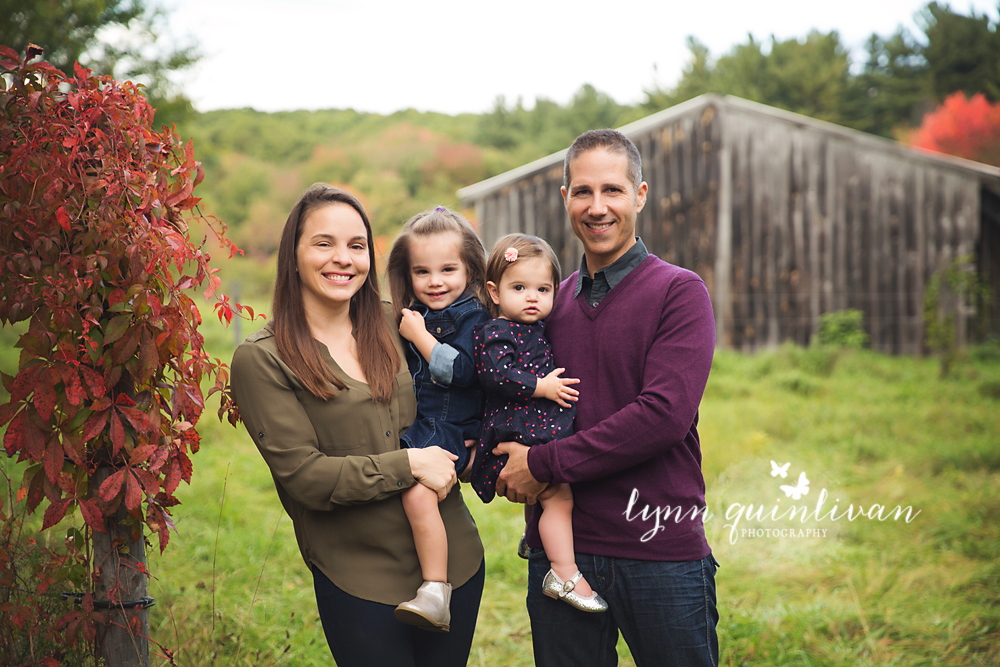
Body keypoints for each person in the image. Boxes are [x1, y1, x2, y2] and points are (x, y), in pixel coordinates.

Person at [229, 185, 484, 667]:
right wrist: (410, 463)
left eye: (357, 245)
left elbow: (459, 398)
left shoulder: (400, 325)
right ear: (294, 254)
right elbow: (305, 477)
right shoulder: (262, 359)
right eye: (323, 243)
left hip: (456, 564)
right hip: (361, 580)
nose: (343, 259)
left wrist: (473, 454)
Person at [493, 130, 720, 667]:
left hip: (659, 549)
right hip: (562, 555)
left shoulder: (678, 292)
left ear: (640, 195)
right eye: (583, 191)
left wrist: (541, 463)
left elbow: (662, 417)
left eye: (613, 191)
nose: (598, 208)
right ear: (565, 197)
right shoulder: (547, 307)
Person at [470, 233, 607, 613]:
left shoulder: (532, 328)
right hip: (513, 432)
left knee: (554, 499)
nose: (532, 297)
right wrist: (541, 387)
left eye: (543, 289)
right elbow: (496, 374)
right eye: (519, 287)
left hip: (528, 430)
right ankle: (563, 573)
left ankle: (543, 548)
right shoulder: (495, 331)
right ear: (494, 293)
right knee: (558, 498)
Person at [385, 206, 491, 631]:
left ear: (471, 270)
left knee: (415, 495)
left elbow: (462, 370)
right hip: (428, 424)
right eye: (421, 271)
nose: (435, 282)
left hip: (448, 428)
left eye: (448, 269)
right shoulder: (420, 313)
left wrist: (421, 338)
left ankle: (435, 589)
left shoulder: (473, 317)